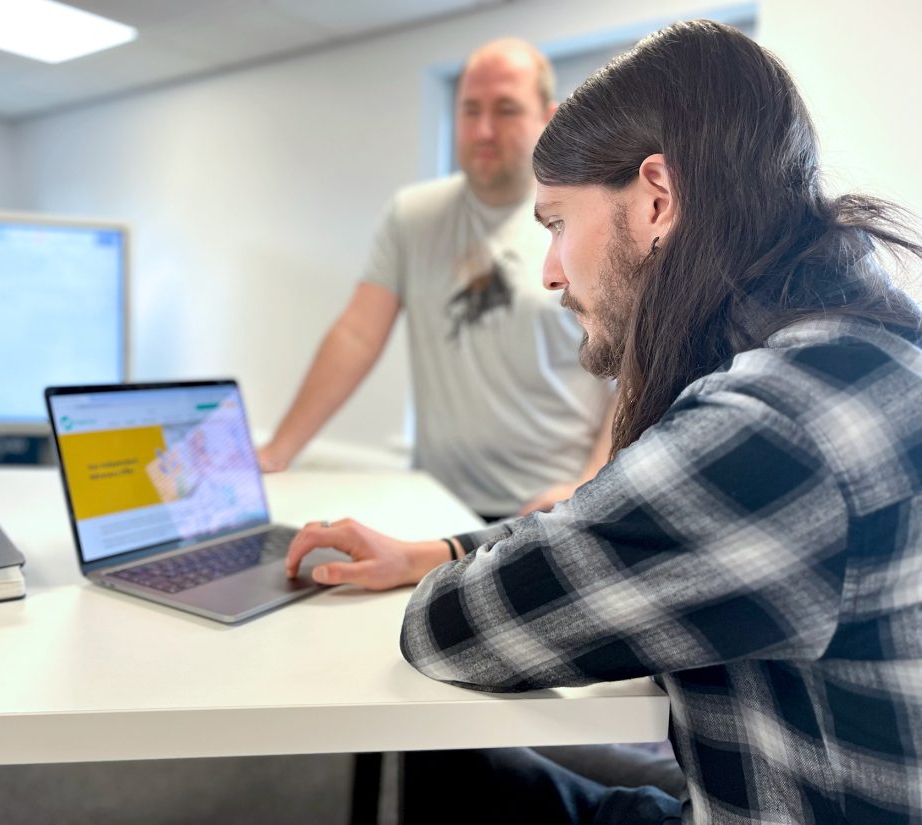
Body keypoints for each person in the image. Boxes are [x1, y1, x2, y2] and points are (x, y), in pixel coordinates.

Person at [286, 19, 922, 825]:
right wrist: (442, 547)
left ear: (657, 199)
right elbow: (629, 521)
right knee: (474, 767)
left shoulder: (778, 426)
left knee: (456, 768)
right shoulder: (851, 340)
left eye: (556, 223)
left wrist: (448, 573)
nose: (551, 269)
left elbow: (450, 629)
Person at [257, 37, 615, 520]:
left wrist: (590, 485)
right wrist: (279, 450)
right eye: (471, 110)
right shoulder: (414, 217)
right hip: (434, 504)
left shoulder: (580, 221)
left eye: (506, 109)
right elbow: (356, 335)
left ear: (547, 117)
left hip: (546, 509)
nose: (484, 130)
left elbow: (630, 374)